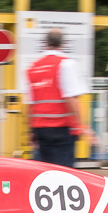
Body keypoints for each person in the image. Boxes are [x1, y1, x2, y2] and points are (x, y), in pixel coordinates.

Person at [25, 29, 95, 168]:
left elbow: (30, 104)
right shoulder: (66, 64)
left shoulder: (33, 67)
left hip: (40, 131)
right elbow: (71, 98)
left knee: (41, 172)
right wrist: (83, 127)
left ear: (45, 43)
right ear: (63, 44)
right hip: (62, 130)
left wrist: (31, 131)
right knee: (63, 175)